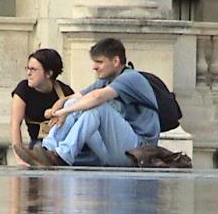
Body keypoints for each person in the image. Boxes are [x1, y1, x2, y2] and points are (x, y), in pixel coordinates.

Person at [13, 37, 160, 167]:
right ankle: (48, 150)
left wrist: (64, 112)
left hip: (138, 151)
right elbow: (78, 97)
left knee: (97, 107)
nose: (94, 67)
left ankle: (62, 156)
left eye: (99, 62)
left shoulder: (131, 78)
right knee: (74, 105)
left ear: (115, 61)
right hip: (116, 150)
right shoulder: (106, 80)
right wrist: (62, 103)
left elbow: (96, 97)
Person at [10, 48, 74, 152]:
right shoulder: (23, 89)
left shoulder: (63, 91)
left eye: (33, 69)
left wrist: (62, 111)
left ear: (49, 73)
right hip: (38, 144)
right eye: (27, 68)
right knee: (38, 149)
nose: (28, 73)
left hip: (62, 144)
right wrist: (19, 157)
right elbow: (15, 125)